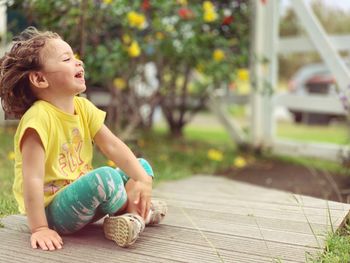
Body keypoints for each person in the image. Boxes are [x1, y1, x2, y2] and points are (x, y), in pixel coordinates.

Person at [0, 27, 167, 250]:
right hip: (55, 210)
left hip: (83, 198)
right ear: (40, 78)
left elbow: (113, 146)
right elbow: (32, 180)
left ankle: (132, 218)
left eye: (75, 57)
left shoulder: (83, 107)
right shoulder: (38, 119)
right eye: (67, 59)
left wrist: (143, 179)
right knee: (106, 177)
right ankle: (137, 212)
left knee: (141, 166)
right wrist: (40, 228)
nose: (78, 63)